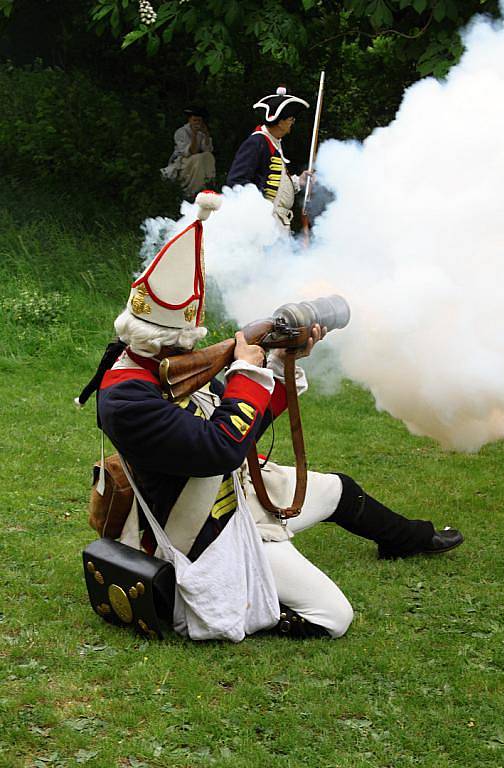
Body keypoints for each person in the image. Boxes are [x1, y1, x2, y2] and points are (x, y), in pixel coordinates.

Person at [90, 192, 463, 641]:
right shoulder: (126, 399)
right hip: (200, 533)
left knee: (338, 490)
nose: (193, 348)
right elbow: (221, 448)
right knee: (334, 616)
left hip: (231, 496)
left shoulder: (160, 369)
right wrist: (246, 369)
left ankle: (408, 539)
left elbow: (240, 425)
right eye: (186, 341)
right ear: (170, 341)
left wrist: (278, 364)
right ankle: (258, 609)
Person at [226, 86, 311, 230]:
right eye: (290, 119)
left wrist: (299, 181)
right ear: (279, 121)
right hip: (263, 222)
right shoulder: (257, 142)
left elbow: (277, 183)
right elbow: (236, 182)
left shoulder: (274, 142)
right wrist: (258, 211)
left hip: (277, 221)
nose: (292, 123)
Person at [161, 106, 216, 199]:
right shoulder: (181, 132)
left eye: (199, 121)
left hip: (197, 158)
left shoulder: (201, 133)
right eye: (195, 120)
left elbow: (207, 149)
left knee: (208, 156)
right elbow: (190, 151)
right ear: (189, 120)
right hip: (183, 160)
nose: (197, 123)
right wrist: (194, 135)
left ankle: (208, 184)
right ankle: (194, 190)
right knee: (198, 158)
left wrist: (206, 135)